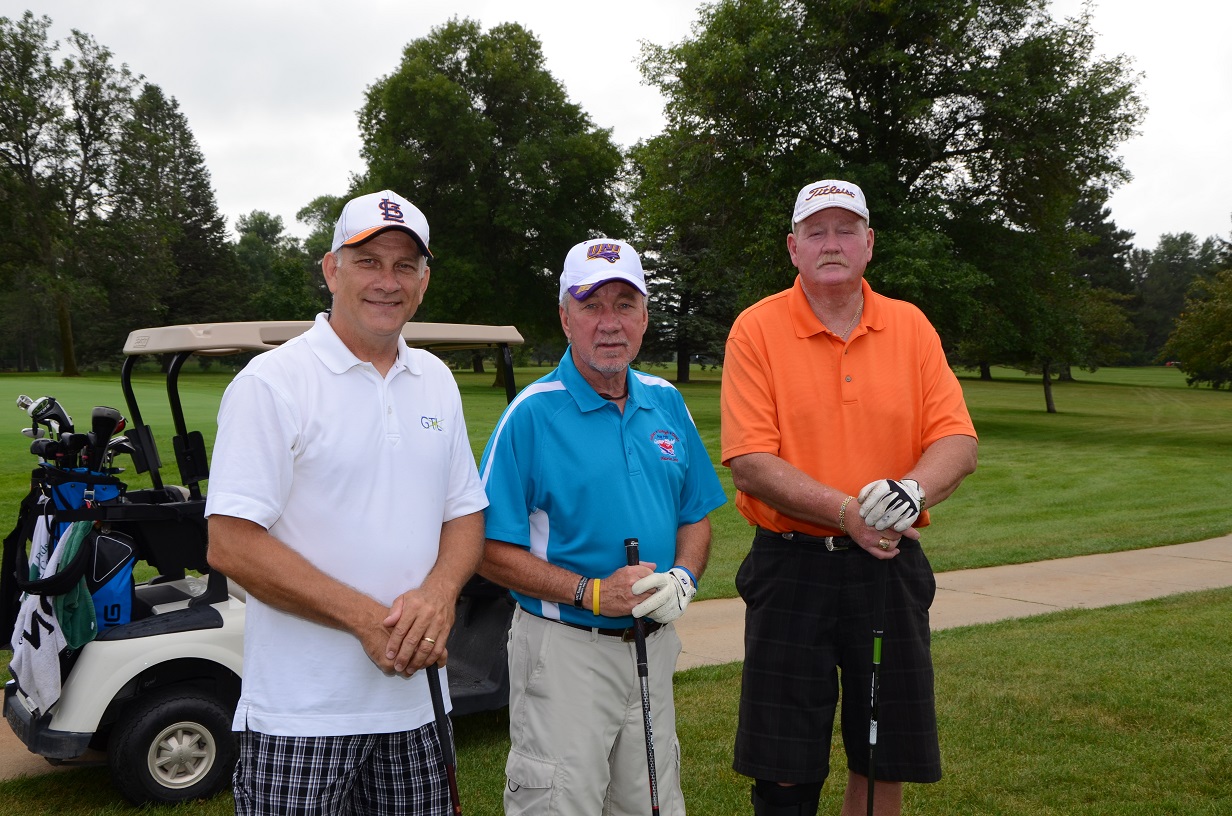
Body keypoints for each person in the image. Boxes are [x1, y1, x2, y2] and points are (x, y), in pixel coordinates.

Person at [204, 189, 487, 815]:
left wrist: (439, 596)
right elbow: (230, 540)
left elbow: (464, 512)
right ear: (332, 269)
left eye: (403, 265)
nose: (387, 281)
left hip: (417, 705)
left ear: (423, 282)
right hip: (300, 716)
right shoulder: (273, 384)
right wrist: (367, 620)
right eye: (367, 261)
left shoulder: (436, 380)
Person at [721, 180, 979, 816]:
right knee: (784, 763)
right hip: (790, 566)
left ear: (869, 243)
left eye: (845, 230)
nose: (830, 243)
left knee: (882, 755)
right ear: (793, 248)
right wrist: (847, 513)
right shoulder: (756, 329)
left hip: (887, 569)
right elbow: (751, 461)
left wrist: (910, 490)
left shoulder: (912, 326)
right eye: (816, 231)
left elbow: (957, 440)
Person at [478, 238, 727, 815]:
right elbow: (488, 549)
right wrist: (590, 592)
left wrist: (685, 577)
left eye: (624, 304)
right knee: (563, 803)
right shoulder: (532, 414)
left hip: (653, 645)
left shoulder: (666, 401)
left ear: (645, 316)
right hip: (564, 652)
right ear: (564, 316)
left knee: (651, 802)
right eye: (591, 305)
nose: (609, 323)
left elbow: (694, 515)